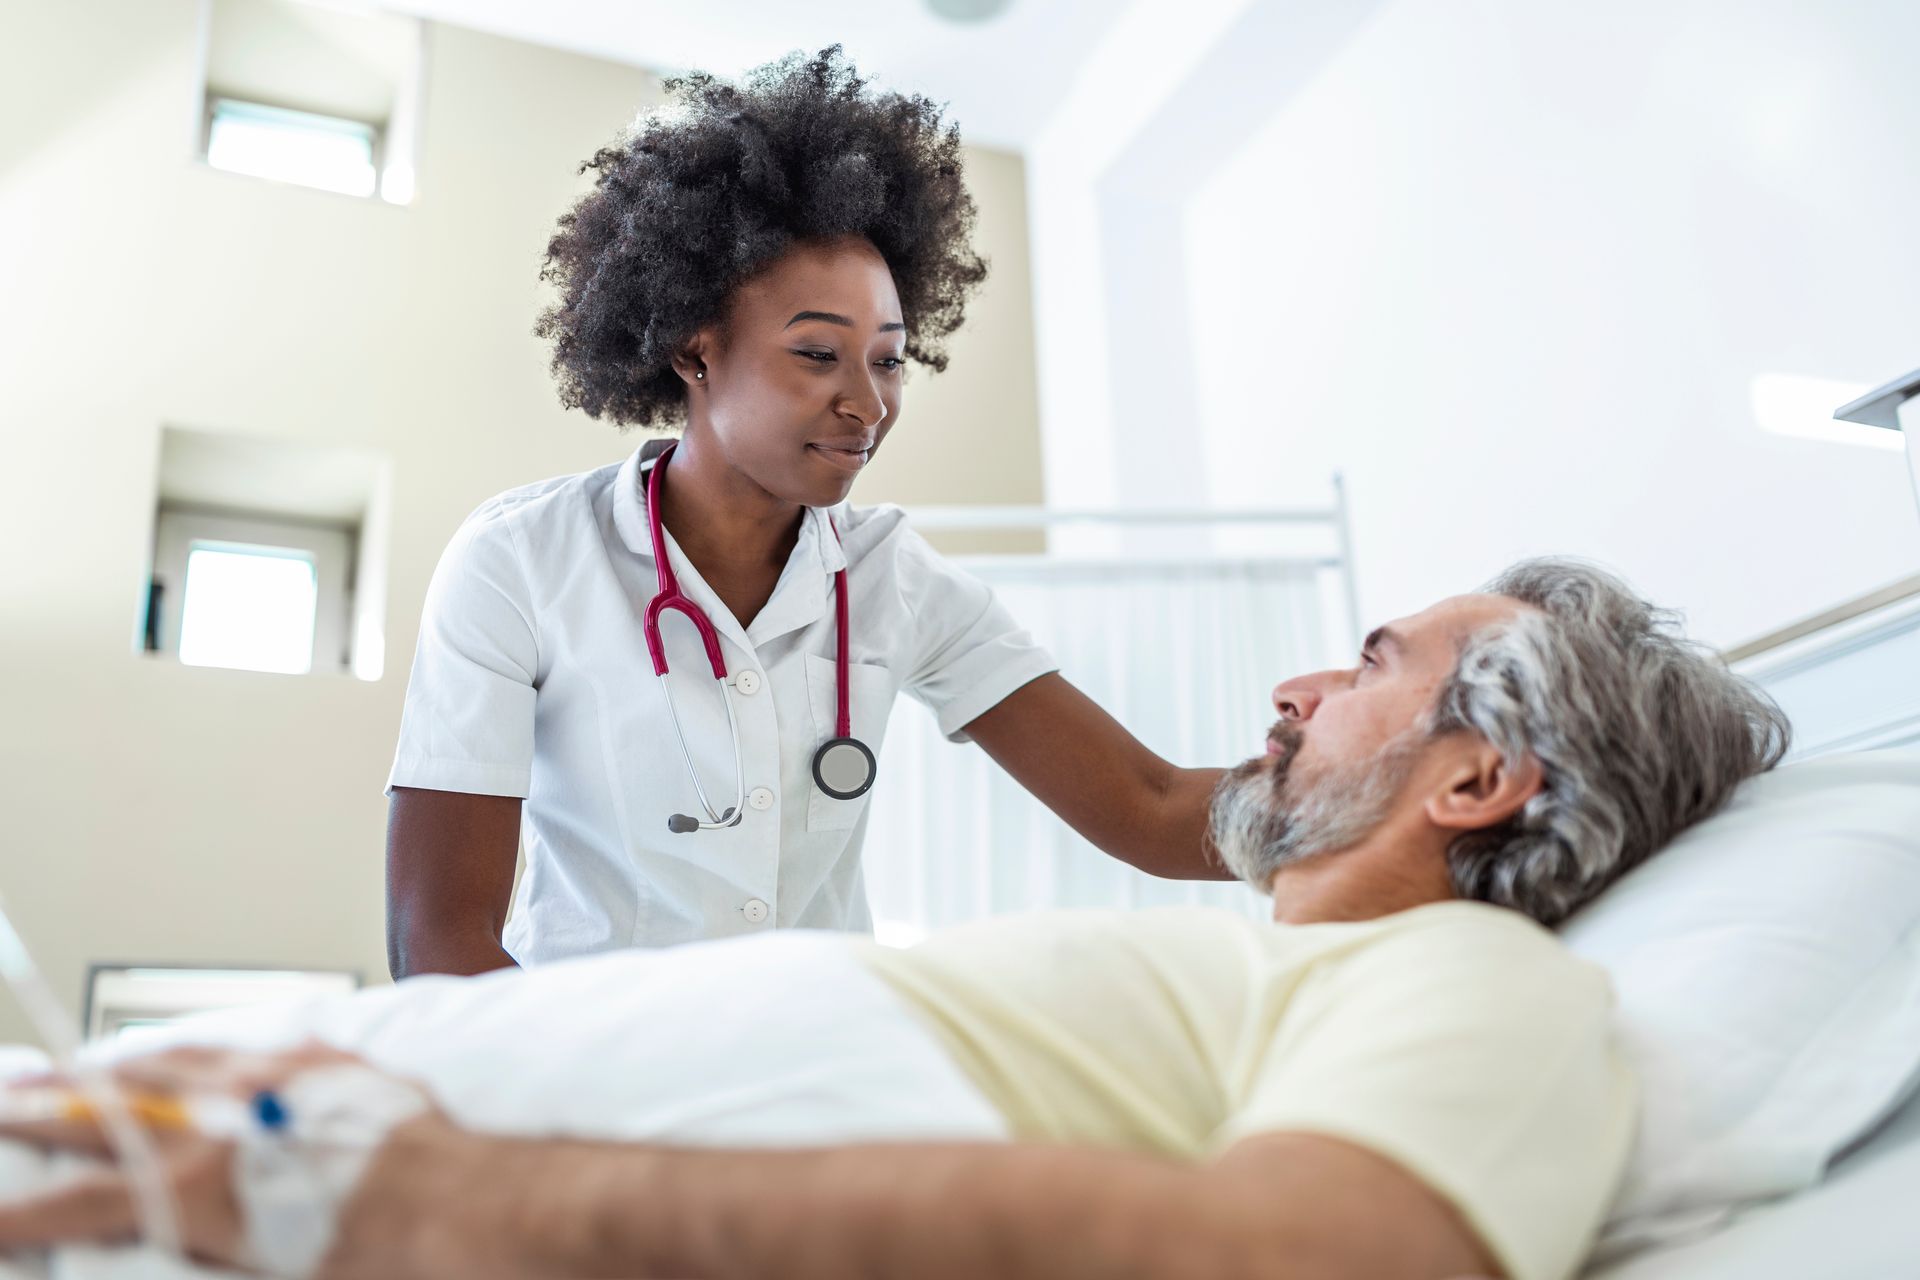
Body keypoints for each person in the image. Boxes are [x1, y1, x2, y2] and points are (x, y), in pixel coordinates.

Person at [0, 559, 1791, 1280]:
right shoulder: (1255, 966)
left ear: (1478, 784)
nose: (1308, 679)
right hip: (275, 1122)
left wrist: (456, 1197)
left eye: (1379, 662)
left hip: (362, 1187)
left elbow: (1309, 1259)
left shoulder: (1480, 986)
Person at [384, 47, 1230, 979]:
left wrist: (1388, 788)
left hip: (817, 1070)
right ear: (693, 350)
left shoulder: (892, 577)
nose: (868, 404)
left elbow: (1151, 805)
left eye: (889, 359)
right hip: (594, 1073)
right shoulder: (522, 561)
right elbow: (441, 944)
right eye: (819, 355)